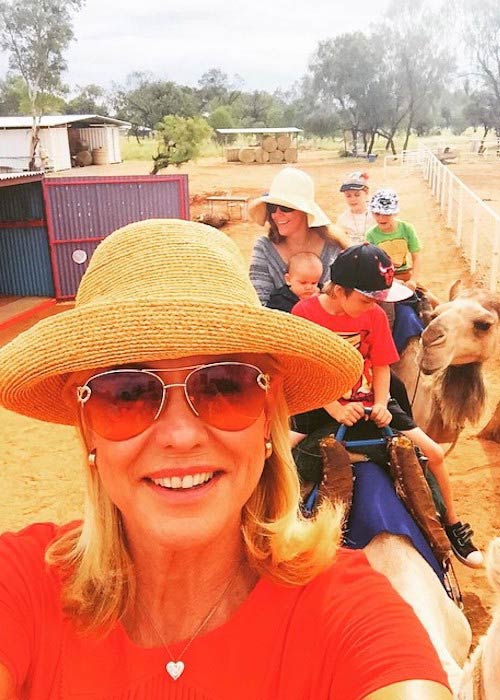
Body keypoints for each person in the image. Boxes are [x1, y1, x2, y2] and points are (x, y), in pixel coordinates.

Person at [0, 219, 452, 699]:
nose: (179, 435)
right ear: (86, 422)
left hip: (367, 406)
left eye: (225, 386)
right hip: (333, 411)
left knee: (428, 456)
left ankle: (451, 529)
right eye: (125, 392)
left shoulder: (350, 613)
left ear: (268, 410)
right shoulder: (22, 585)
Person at [291, 243, 483, 569]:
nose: (374, 305)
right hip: (318, 399)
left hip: (369, 396)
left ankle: (452, 527)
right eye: (367, 298)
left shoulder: (374, 314)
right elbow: (302, 371)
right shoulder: (304, 315)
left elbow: (381, 365)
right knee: (275, 456)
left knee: (434, 454)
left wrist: (380, 404)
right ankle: (275, 531)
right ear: (339, 291)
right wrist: (335, 408)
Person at [249, 167, 349, 306]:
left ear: (304, 211)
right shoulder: (264, 248)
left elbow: (346, 300)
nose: (277, 214)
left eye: (285, 208)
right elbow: (259, 303)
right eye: (272, 207)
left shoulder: (334, 247)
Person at [366, 189, 421, 291]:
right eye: (377, 214)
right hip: (383, 278)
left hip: (405, 274)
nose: (381, 218)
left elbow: (416, 257)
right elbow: (372, 265)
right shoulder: (370, 235)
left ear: (395, 213)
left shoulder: (407, 228)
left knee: (432, 300)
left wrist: (413, 280)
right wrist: (393, 281)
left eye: (386, 214)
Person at [337, 171, 376, 245]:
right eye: (348, 196)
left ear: (366, 193)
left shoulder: (375, 215)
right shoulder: (343, 219)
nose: (352, 199)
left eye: (357, 195)